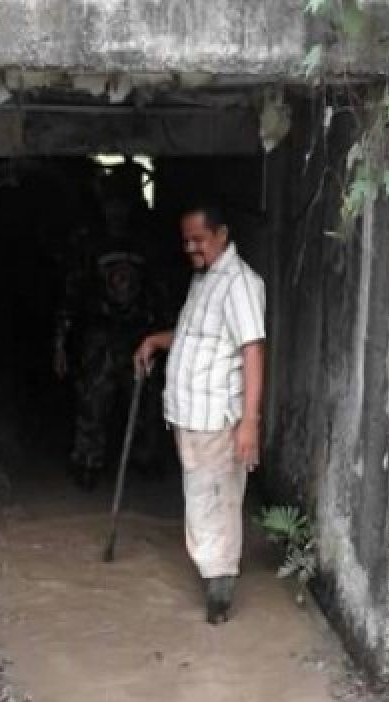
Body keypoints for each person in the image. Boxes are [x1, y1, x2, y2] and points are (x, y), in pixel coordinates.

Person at [134, 205, 266, 624]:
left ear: (222, 234)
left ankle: (219, 597)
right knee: (200, 497)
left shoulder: (240, 284)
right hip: (190, 416)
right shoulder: (204, 280)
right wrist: (156, 340)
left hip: (217, 419)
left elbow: (252, 350)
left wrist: (249, 422)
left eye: (199, 239)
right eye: (186, 240)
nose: (191, 247)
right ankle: (213, 577)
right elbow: (195, 337)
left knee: (218, 501)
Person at [53, 173, 167, 490]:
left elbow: (158, 291)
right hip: (99, 336)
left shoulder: (144, 244)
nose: (116, 212)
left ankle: (145, 460)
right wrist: (61, 343)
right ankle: (88, 462)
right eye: (111, 204)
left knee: (143, 400)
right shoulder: (90, 243)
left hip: (137, 335)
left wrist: (159, 336)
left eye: (121, 204)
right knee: (93, 402)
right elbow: (71, 294)